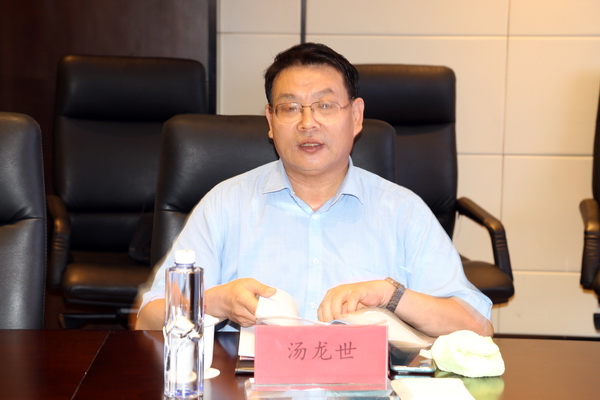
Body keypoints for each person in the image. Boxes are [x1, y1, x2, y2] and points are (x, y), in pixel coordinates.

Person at [135, 42, 493, 337]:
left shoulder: (402, 210)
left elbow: (478, 327)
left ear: (356, 116)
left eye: (324, 105)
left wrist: (391, 295)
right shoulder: (225, 204)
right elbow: (148, 318)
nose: (308, 123)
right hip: (248, 385)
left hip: (365, 386)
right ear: (271, 121)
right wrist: (216, 301)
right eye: (290, 107)